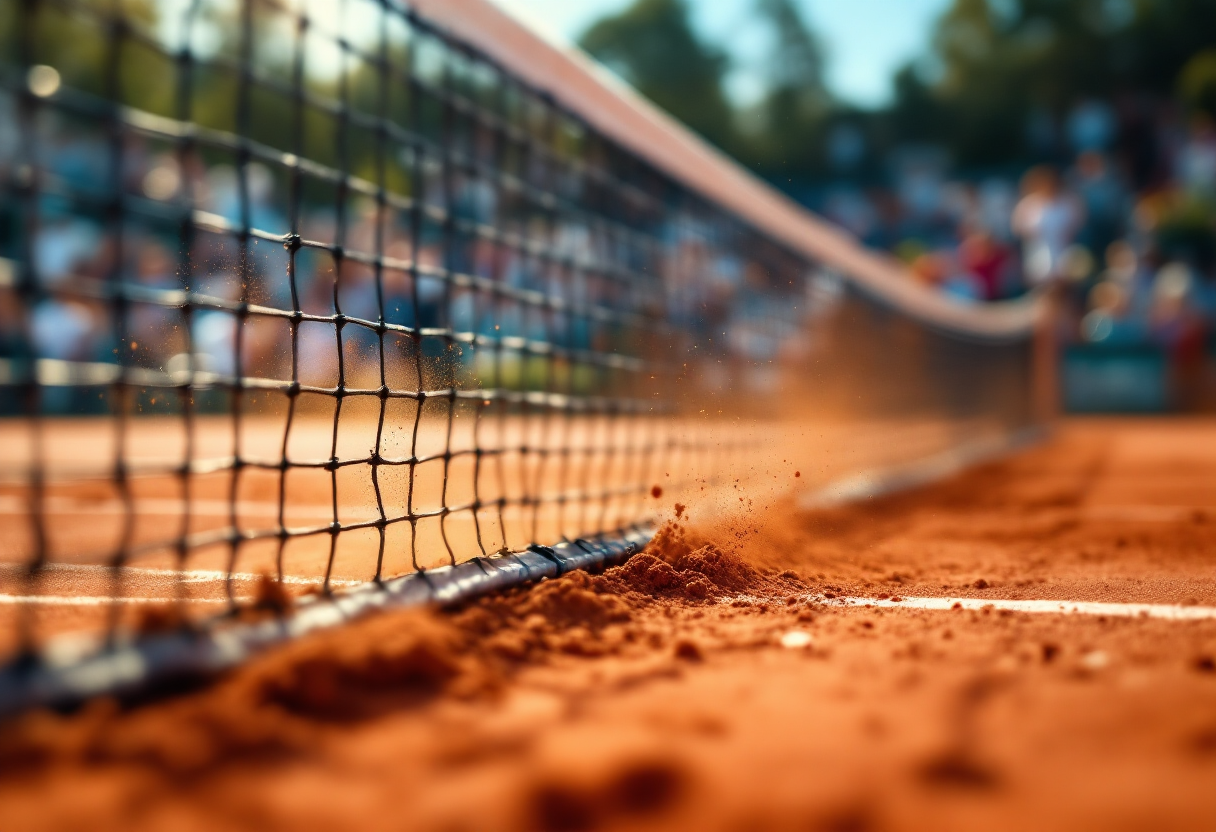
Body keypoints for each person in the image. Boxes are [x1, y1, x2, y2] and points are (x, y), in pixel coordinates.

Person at [1012, 166, 1085, 286]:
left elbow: (1078, 227)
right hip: (1037, 257)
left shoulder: (1069, 202)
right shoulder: (1027, 205)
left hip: (1066, 255)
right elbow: (1019, 231)